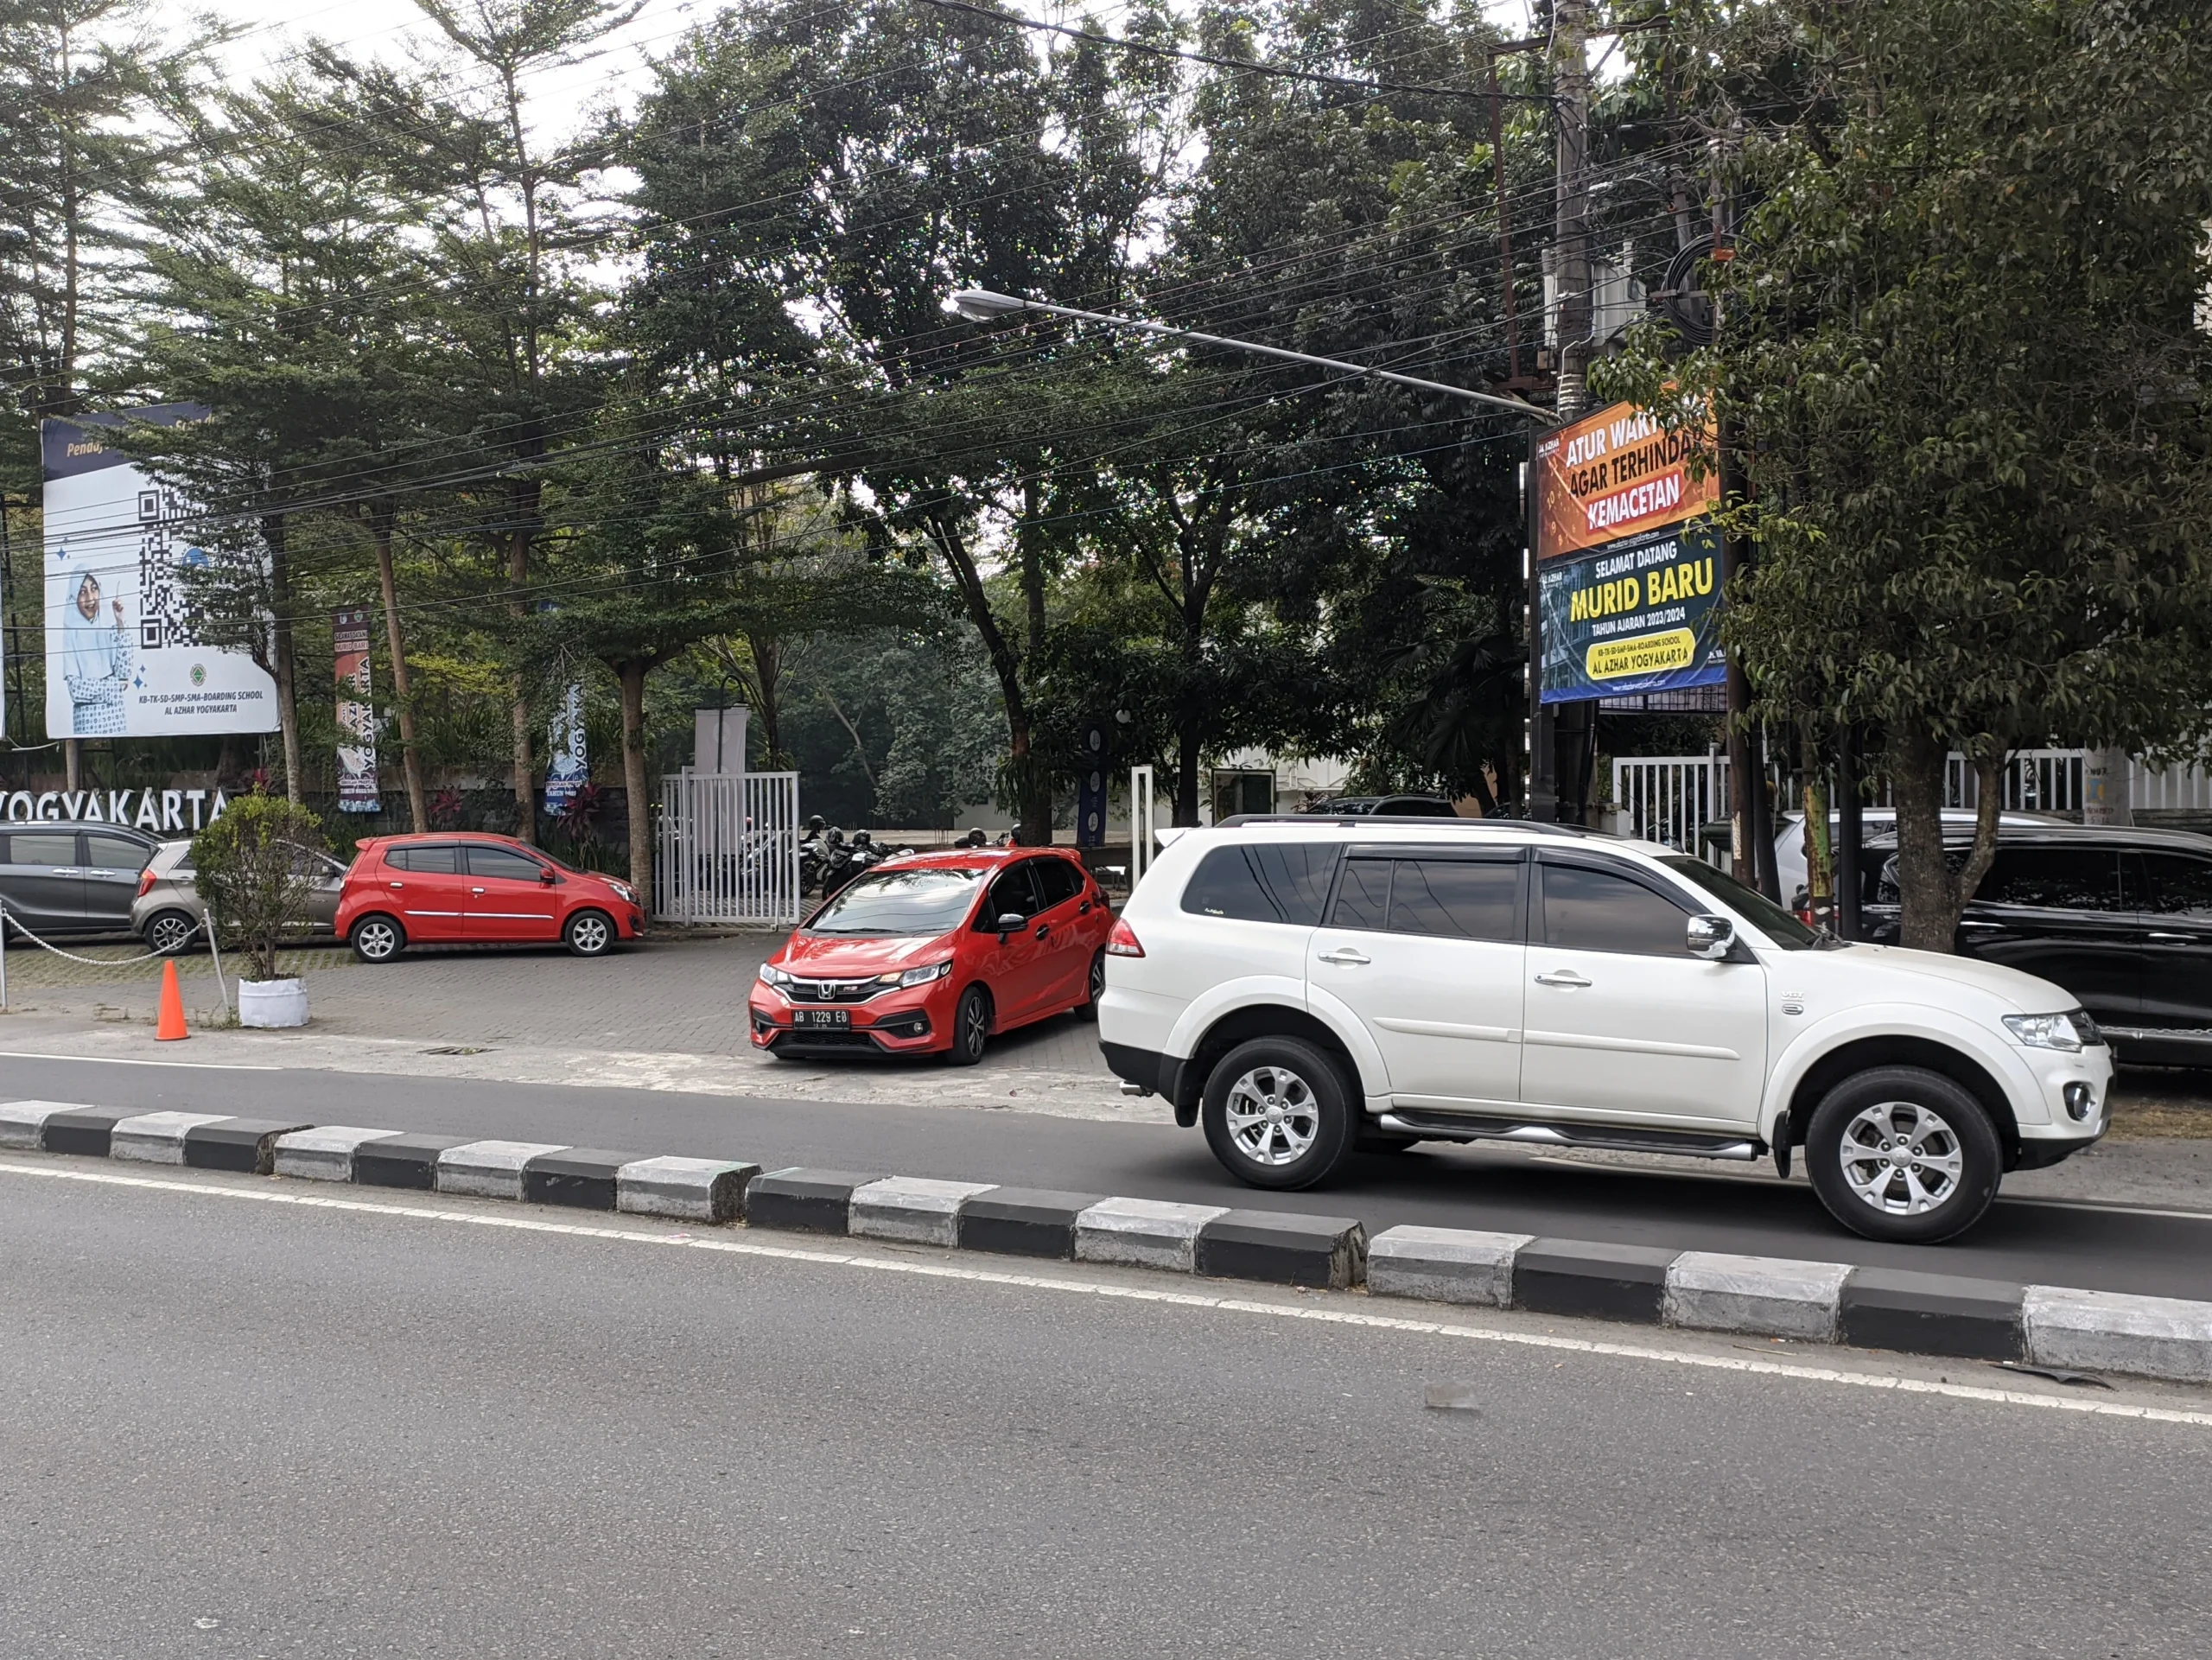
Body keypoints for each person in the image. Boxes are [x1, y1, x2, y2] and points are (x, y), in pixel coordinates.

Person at [62, 569, 131, 736]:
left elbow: (124, 673)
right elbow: (76, 690)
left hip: (115, 719)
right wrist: (112, 686)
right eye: (82, 592)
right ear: (73, 596)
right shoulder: (70, 633)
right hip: (87, 723)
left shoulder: (108, 626)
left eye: (94, 589)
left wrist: (120, 622)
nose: (90, 599)